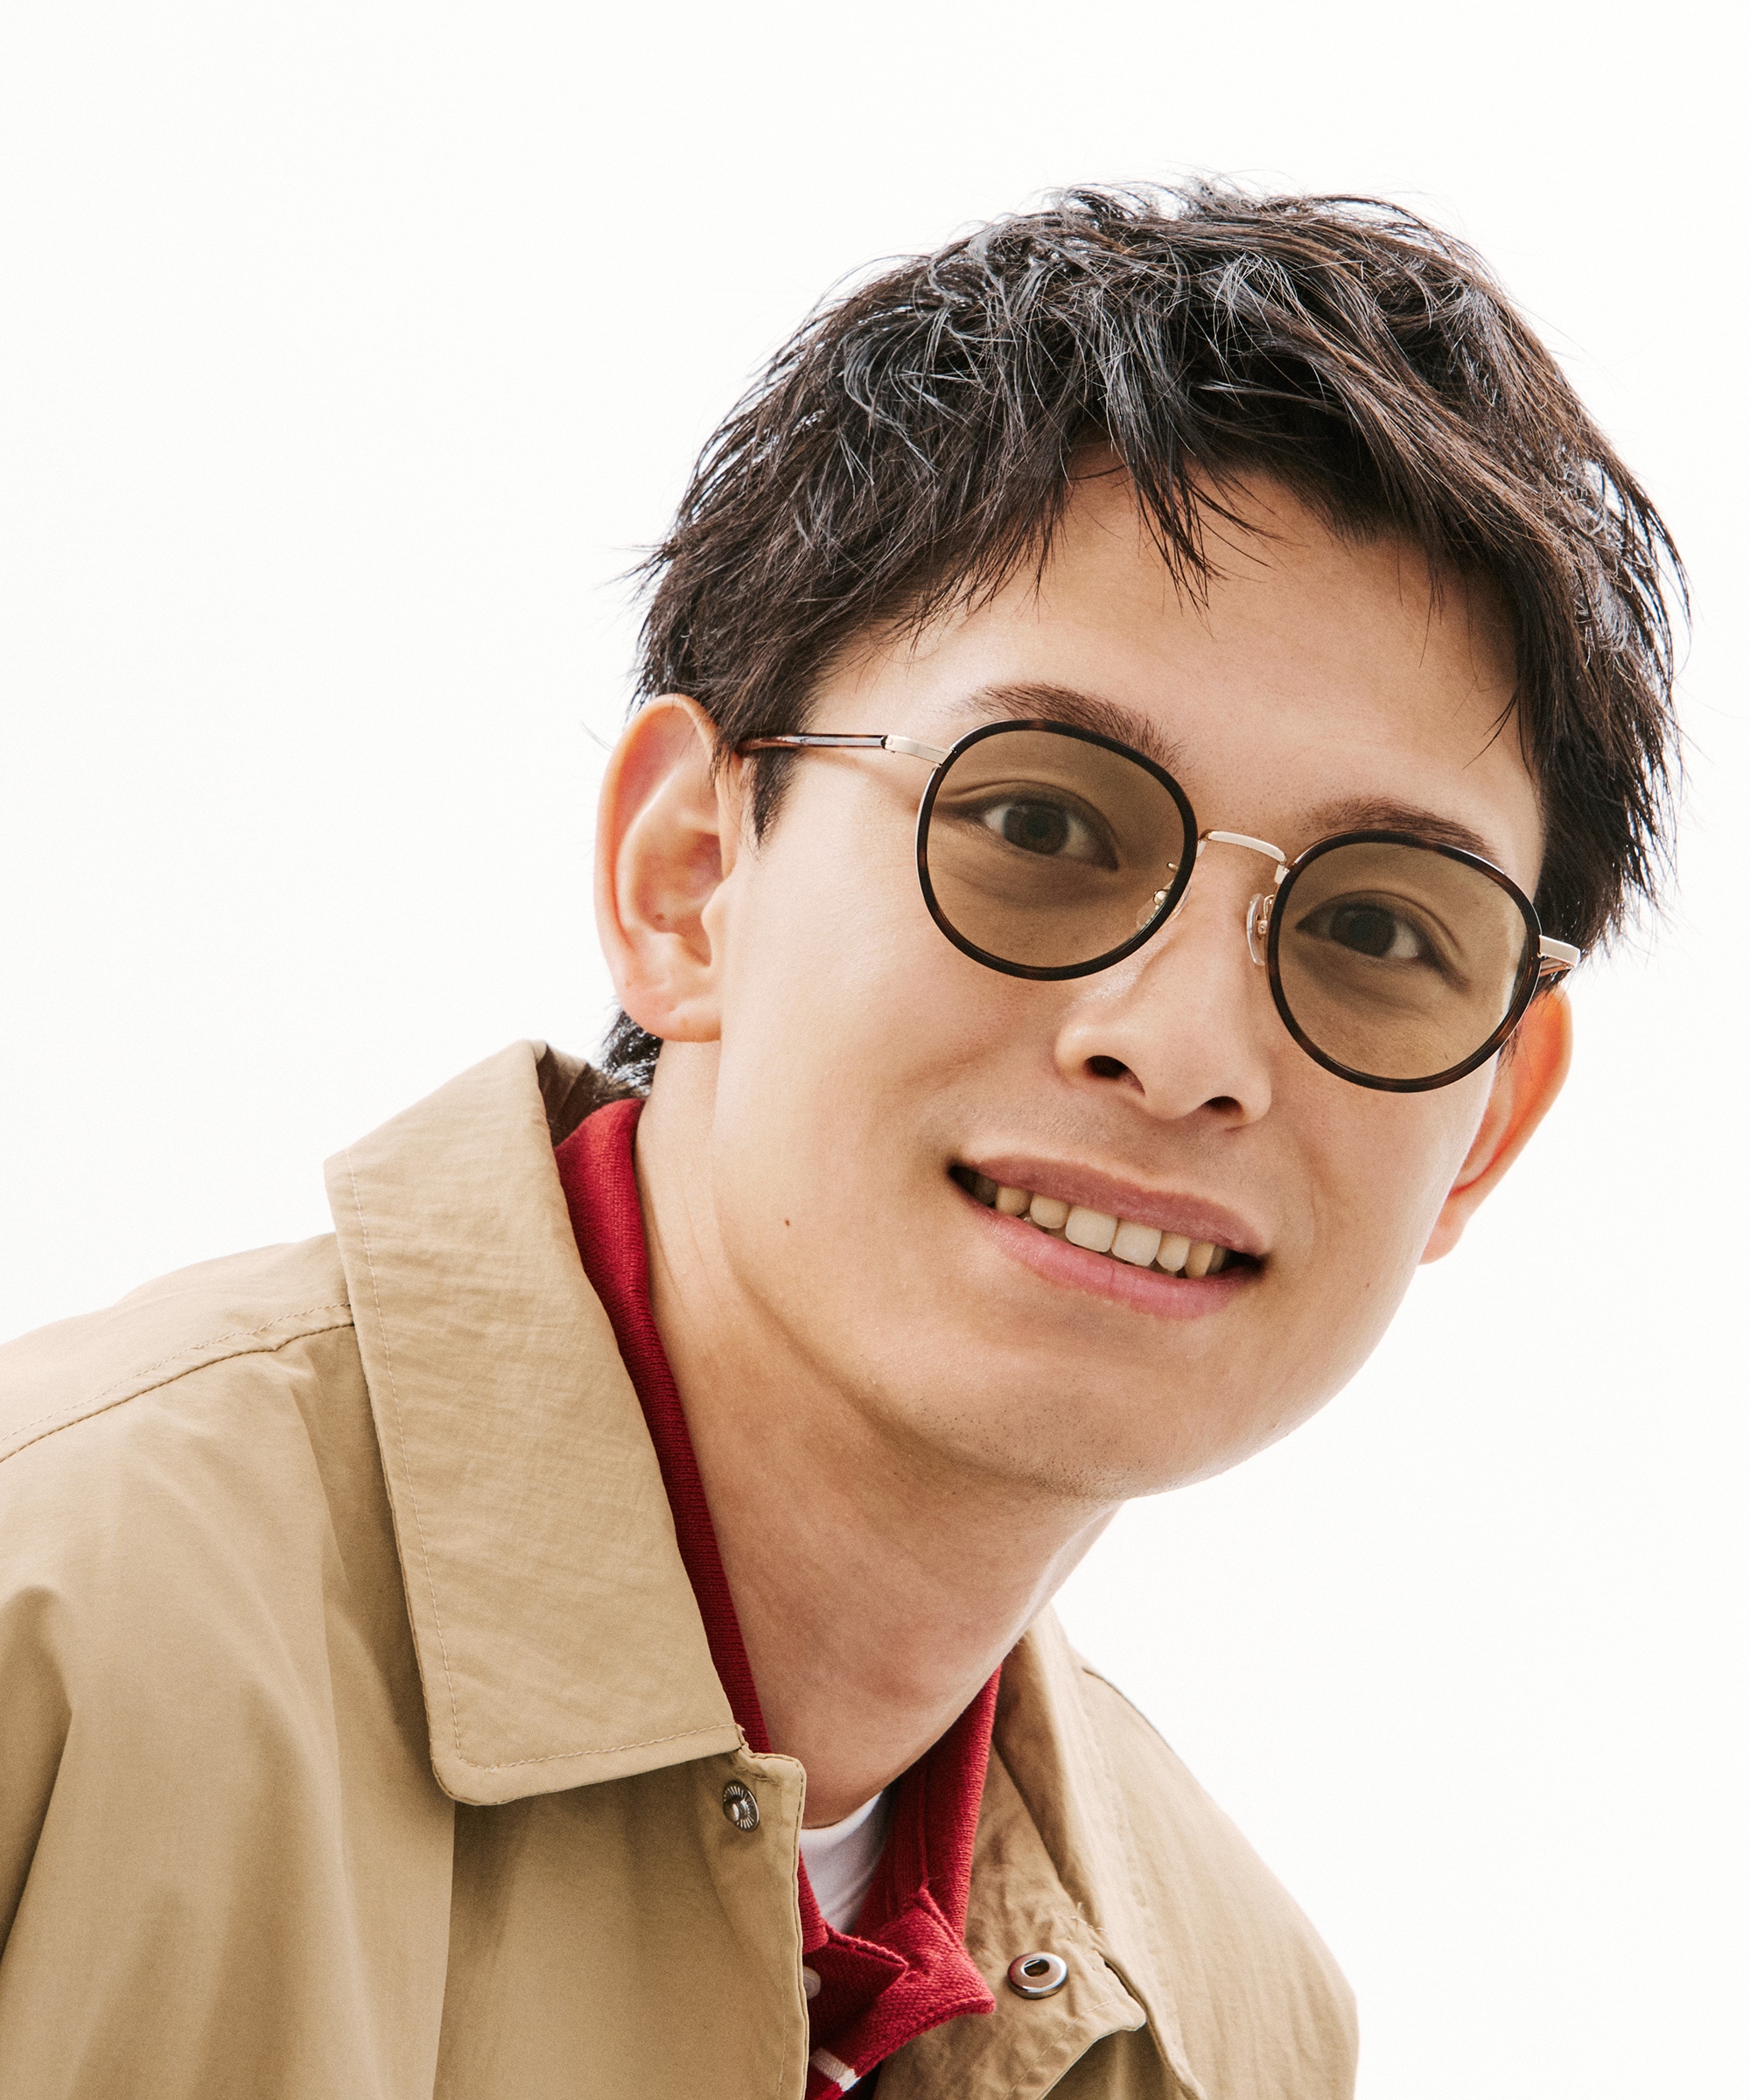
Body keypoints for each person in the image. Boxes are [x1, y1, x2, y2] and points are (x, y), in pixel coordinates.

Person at [0, 183, 1681, 2099]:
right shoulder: (55, 1631)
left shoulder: (1235, 2019)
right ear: (688, 876)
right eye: (1040, 824)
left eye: (1379, 930)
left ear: (1485, 1129)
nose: (1184, 1049)